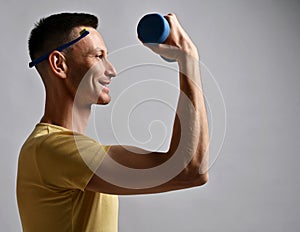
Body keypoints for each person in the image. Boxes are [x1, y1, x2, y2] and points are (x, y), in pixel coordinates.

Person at [16, 12, 209, 232]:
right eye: (98, 56)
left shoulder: (64, 151)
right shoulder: (49, 150)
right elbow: (188, 169)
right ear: (59, 64)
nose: (111, 70)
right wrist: (188, 59)